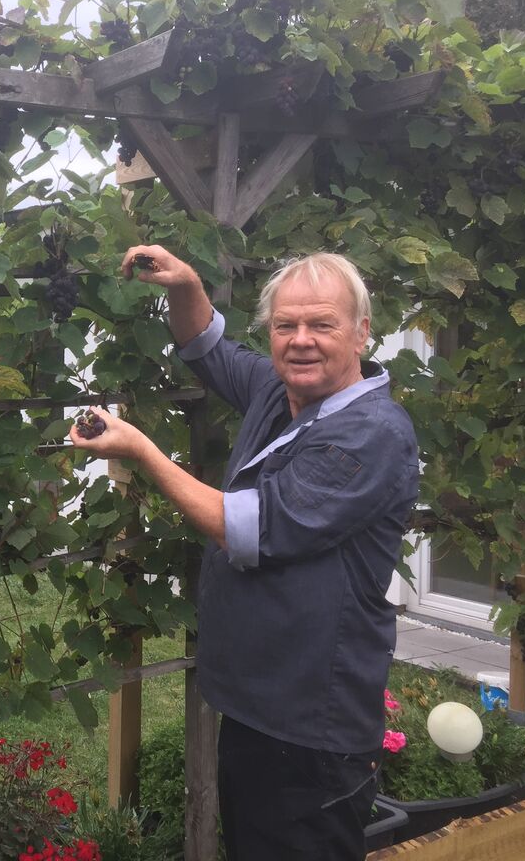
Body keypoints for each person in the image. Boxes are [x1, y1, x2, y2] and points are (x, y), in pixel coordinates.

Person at [70, 247, 419, 861]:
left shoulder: (371, 434)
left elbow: (251, 529)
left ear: (362, 332)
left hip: (310, 725)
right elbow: (207, 347)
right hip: (261, 707)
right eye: (286, 325)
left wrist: (142, 452)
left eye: (322, 324)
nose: (301, 340)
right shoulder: (278, 392)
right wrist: (185, 284)